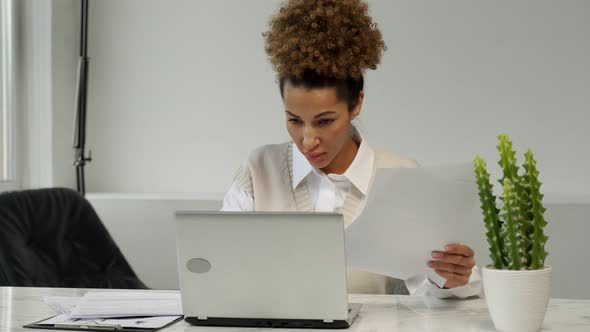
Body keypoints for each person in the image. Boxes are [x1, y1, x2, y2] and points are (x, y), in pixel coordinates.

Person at [223, 0, 480, 298]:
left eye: (324, 121)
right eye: (294, 120)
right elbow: (221, 262)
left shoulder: (399, 175)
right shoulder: (259, 170)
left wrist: (448, 278)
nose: (307, 140)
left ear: (356, 103)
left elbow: (430, 288)